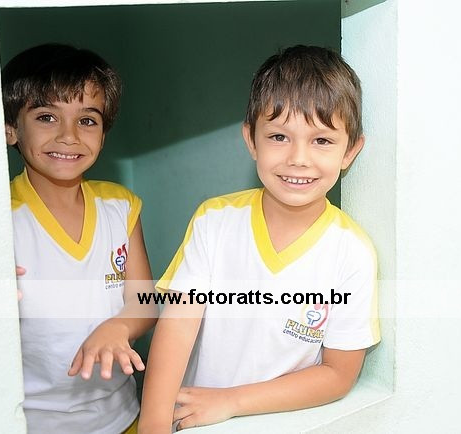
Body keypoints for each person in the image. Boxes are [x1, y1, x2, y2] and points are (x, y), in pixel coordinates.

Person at [138, 45, 380, 433]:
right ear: (251, 140)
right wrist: (153, 421)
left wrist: (232, 401)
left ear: (350, 151)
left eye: (321, 141)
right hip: (194, 424)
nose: (298, 158)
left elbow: (338, 374)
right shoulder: (215, 220)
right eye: (279, 136)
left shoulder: (351, 252)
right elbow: (178, 324)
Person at [2, 43, 157, 434]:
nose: (68, 136)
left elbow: (144, 303)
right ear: (10, 129)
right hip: (32, 424)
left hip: (123, 417)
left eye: (87, 120)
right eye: (47, 117)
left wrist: (120, 327)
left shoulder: (121, 206)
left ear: (103, 133)